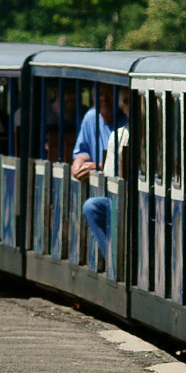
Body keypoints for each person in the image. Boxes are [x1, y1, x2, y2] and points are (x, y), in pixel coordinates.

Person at [71, 85, 130, 255]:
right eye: (99, 94)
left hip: (124, 193)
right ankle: (111, 257)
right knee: (90, 206)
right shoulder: (91, 117)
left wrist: (95, 166)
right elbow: (81, 152)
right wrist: (77, 164)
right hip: (103, 193)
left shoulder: (126, 123)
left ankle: (115, 261)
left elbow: (124, 164)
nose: (103, 98)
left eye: (109, 94)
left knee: (92, 206)